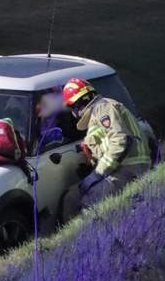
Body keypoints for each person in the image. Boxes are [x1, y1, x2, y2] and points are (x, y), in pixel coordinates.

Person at [61, 77, 151, 217]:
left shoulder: (102, 108)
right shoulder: (96, 114)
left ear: (80, 103)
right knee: (71, 197)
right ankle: (68, 236)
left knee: (88, 203)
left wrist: (97, 174)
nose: (73, 112)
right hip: (119, 168)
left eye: (73, 107)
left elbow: (120, 140)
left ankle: (90, 235)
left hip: (130, 167)